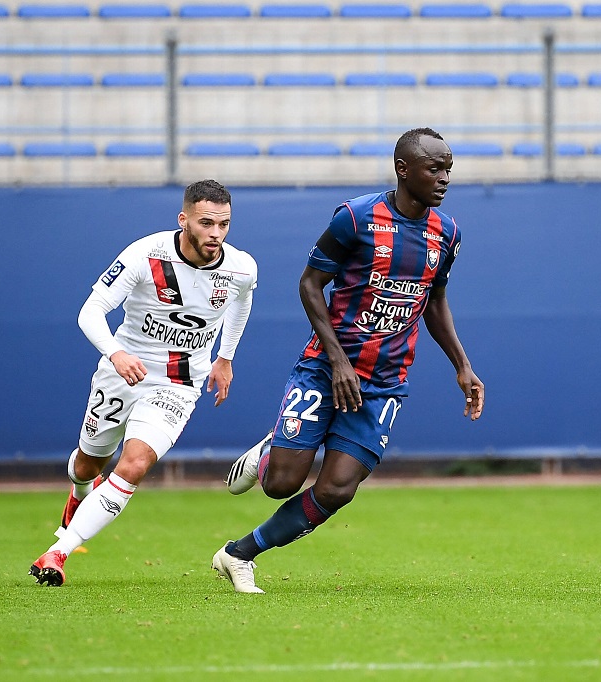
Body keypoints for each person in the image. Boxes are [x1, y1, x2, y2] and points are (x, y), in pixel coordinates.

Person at [212, 128, 484, 594]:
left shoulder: (448, 233)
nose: (444, 179)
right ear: (403, 170)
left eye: (448, 170)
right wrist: (338, 361)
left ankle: (239, 554)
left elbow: (434, 300)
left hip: (383, 382)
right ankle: (273, 448)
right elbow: (310, 283)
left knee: (337, 489)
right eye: (434, 169)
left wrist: (462, 364)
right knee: (280, 484)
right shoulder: (356, 218)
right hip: (326, 368)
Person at [30, 179, 258, 587]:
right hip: (123, 374)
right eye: (206, 223)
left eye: (224, 224)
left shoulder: (241, 267)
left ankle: (58, 551)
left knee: (134, 465)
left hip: (178, 384)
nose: (216, 233)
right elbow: (90, 312)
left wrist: (225, 357)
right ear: (183, 219)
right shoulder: (145, 254)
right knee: (87, 463)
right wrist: (116, 354)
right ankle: (80, 492)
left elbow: (242, 302)